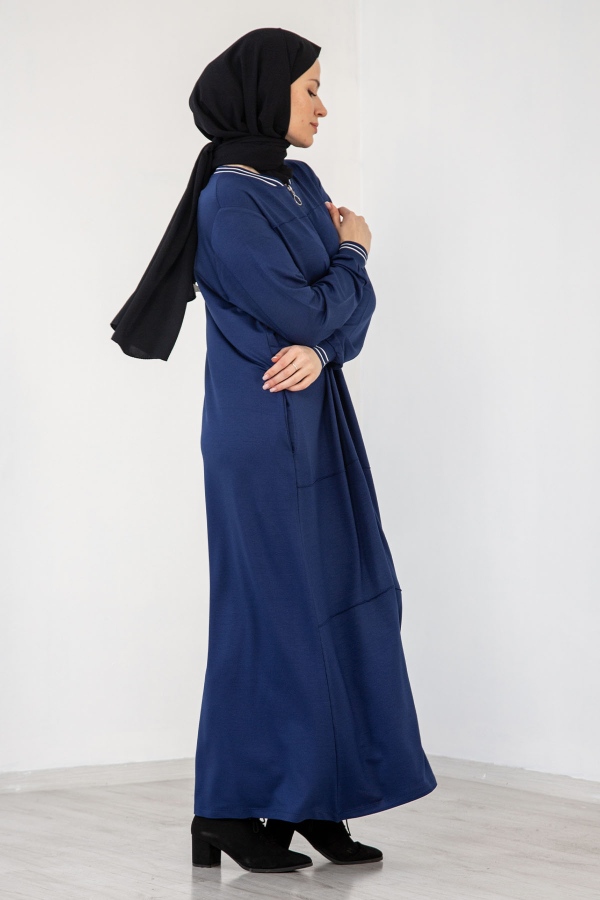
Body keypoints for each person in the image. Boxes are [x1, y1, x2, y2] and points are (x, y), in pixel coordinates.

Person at [110, 27, 437, 876]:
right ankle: (224, 807)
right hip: (260, 430)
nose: (323, 108)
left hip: (320, 413)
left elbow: (343, 320)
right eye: (311, 89)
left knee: (344, 600)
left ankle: (312, 797)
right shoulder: (229, 200)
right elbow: (309, 306)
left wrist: (326, 346)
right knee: (272, 615)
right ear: (266, 95)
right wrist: (354, 254)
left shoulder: (298, 182)